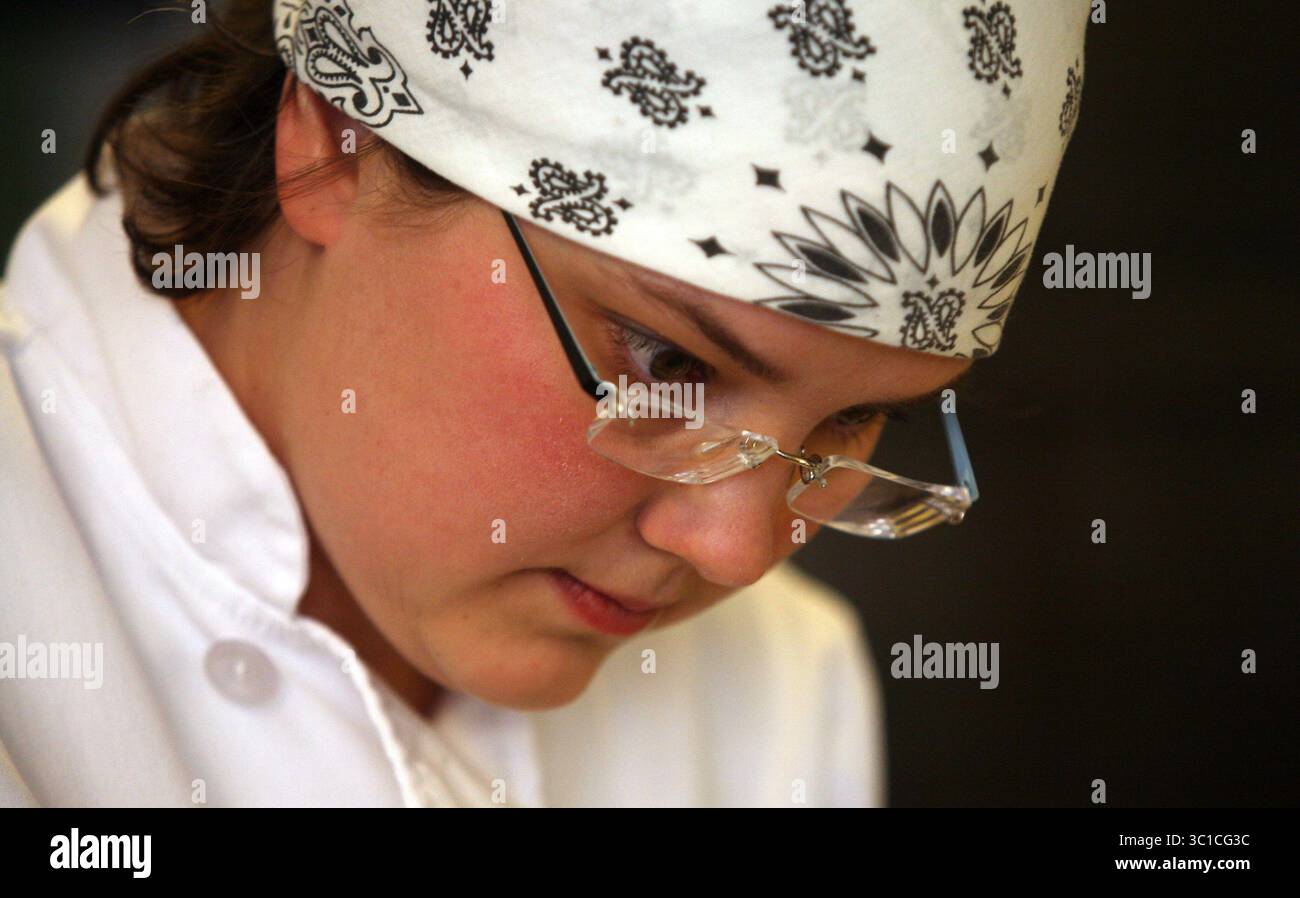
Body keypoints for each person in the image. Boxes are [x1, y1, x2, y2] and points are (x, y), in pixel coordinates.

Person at [0, 0, 1087, 806]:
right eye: (668, 362)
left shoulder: (775, 690)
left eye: (858, 421)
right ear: (338, 142)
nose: (738, 550)